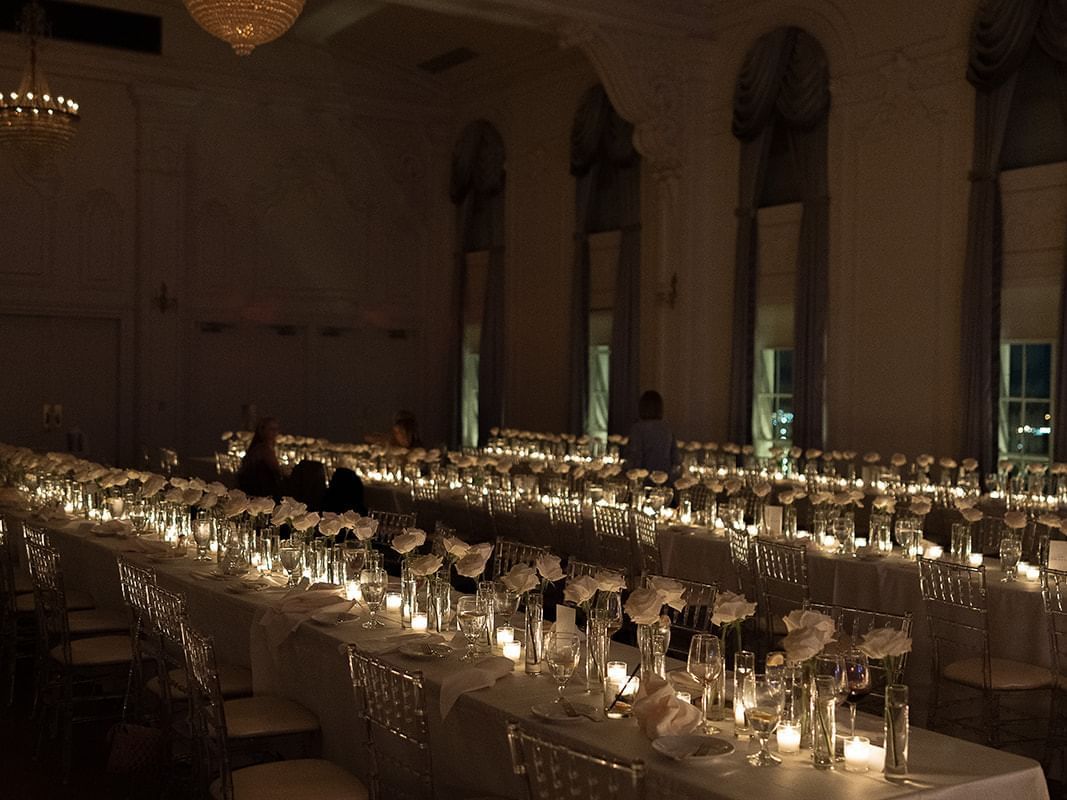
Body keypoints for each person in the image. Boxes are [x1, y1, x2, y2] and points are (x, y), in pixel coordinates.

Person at [623, 390, 681, 479]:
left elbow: (634, 456)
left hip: (643, 478)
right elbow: (676, 459)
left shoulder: (638, 428)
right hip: (664, 479)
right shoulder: (667, 428)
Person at [237, 416, 283, 499]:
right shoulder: (263, 449)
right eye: (271, 429)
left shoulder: (265, 447)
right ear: (262, 430)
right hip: (261, 491)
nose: (275, 432)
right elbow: (276, 469)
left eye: (276, 429)